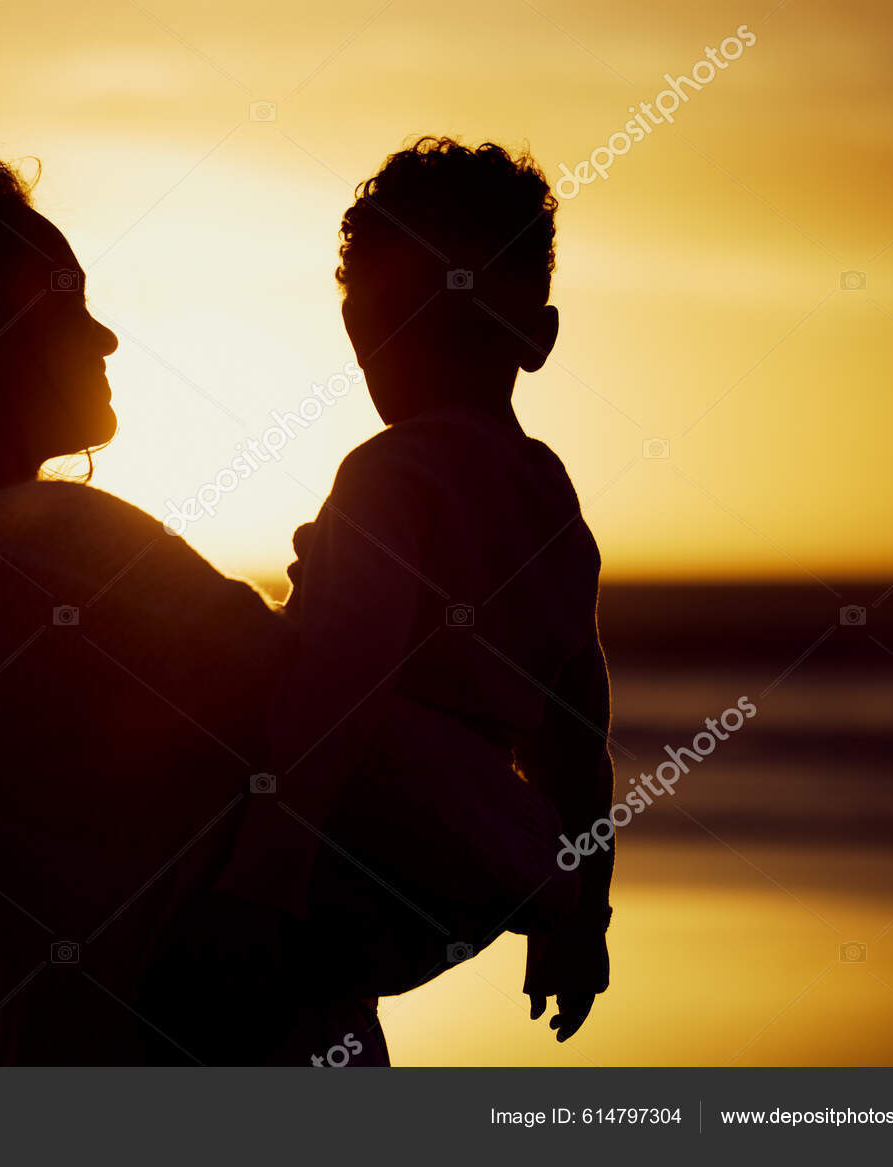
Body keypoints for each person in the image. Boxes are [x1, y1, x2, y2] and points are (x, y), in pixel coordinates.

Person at [0, 152, 575, 1064]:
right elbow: (336, 714)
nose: (105, 339)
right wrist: (557, 866)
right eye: (65, 301)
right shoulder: (50, 542)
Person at [215, 137, 615, 1042]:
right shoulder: (550, 497)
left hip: (362, 841)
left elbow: (338, 685)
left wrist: (266, 868)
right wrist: (582, 912)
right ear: (538, 337)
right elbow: (576, 730)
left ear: (362, 329)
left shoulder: (389, 475)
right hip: (482, 874)